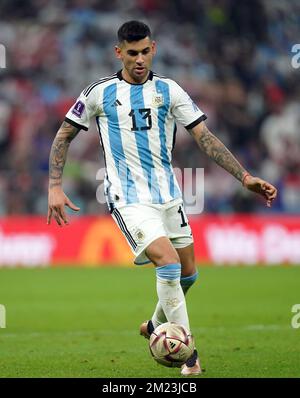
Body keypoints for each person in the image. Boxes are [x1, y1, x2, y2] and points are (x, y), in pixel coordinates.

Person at [47, 20, 277, 375]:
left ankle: (155, 325)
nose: (139, 60)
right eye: (132, 53)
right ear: (118, 52)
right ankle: (190, 357)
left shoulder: (170, 91)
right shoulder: (98, 92)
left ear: (153, 49)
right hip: (128, 198)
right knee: (168, 265)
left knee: (188, 275)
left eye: (145, 52)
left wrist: (244, 176)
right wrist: (54, 186)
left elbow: (205, 137)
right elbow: (63, 136)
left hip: (169, 196)